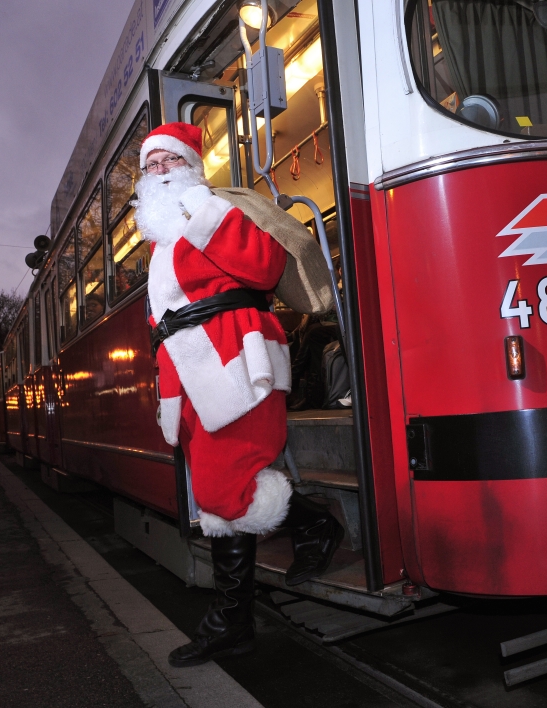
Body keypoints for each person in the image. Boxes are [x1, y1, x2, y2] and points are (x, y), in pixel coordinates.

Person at [134, 122, 344, 668]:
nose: (159, 171)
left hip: (235, 356)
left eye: (168, 161)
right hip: (186, 370)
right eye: (150, 165)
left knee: (229, 487)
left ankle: (313, 525)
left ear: (190, 165)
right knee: (215, 494)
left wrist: (201, 215)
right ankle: (234, 622)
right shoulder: (159, 241)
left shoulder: (213, 209)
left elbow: (266, 267)